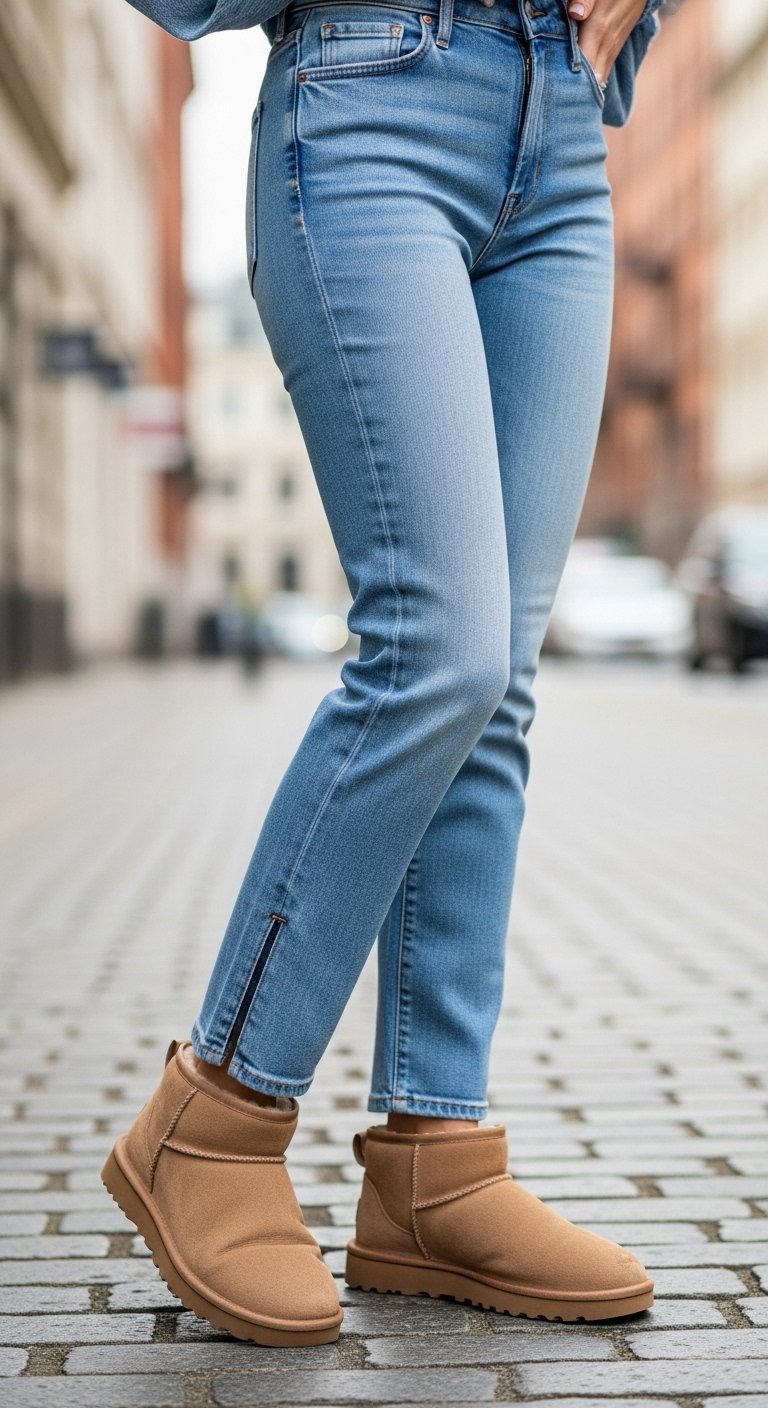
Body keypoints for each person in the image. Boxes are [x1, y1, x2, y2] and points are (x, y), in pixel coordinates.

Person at [103, 0, 668, 1345]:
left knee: (498, 685)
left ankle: (434, 1165)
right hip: (373, 94)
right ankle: (216, 1119)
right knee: (440, 647)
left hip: (565, 123)